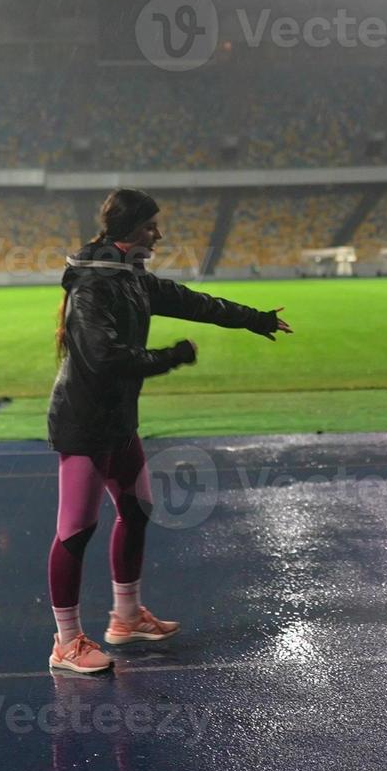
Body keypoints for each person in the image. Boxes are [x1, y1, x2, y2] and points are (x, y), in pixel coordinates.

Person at [45, 188, 293, 674]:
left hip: (118, 421)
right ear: (128, 230)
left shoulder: (129, 278)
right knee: (75, 531)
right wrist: (171, 357)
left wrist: (254, 319)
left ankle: (126, 617)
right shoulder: (94, 286)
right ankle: (66, 643)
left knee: (137, 511)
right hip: (84, 423)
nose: (158, 234)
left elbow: (193, 302)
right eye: (150, 226)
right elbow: (104, 358)